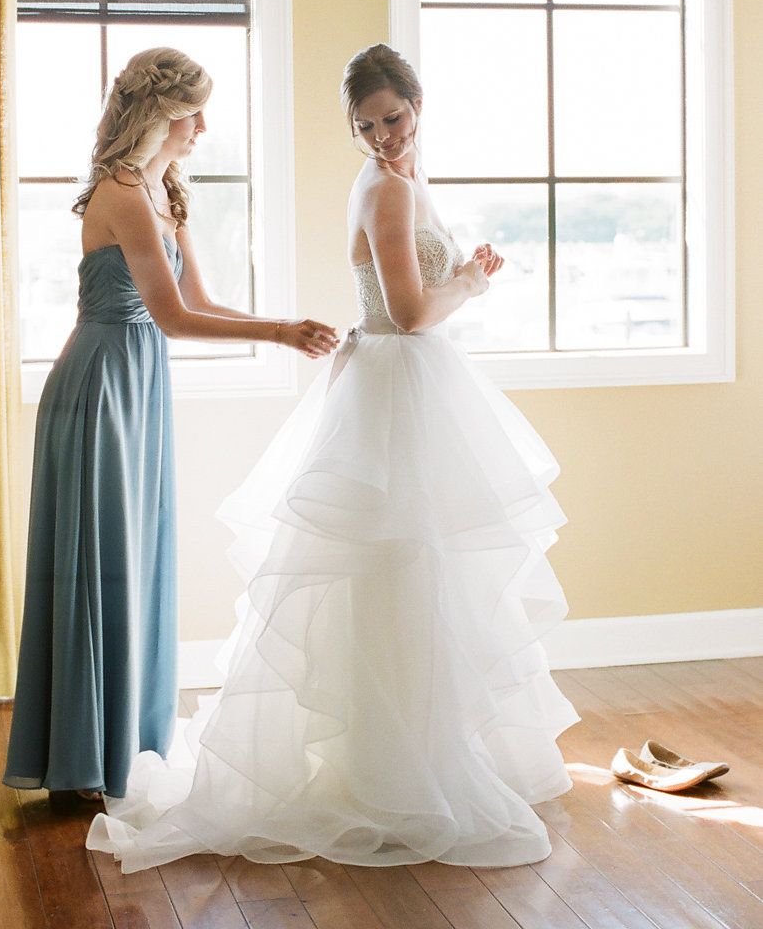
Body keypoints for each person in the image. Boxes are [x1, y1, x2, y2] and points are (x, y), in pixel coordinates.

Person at [86, 43, 577, 868]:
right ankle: (390, 769)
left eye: (394, 117)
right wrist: (470, 284)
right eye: (366, 124)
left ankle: (413, 756)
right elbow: (412, 314)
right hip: (397, 384)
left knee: (423, 577)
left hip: (406, 387)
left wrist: (459, 273)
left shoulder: (408, 180)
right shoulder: (385, 186)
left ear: (418, 105)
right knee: (394, 568)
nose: (384, 135)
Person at [3, 47, 338, 802]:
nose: (203, 128)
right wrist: (282, 333)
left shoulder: (163, 190)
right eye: (193, 113)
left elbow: (204, 300)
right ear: (159, 113)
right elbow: (172, 316)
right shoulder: (121, 193)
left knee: (135, 556)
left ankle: (126, 742)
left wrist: (282, 324)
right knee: (99, 560)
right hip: (100, 387)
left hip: (138, 386)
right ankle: (82, 756)